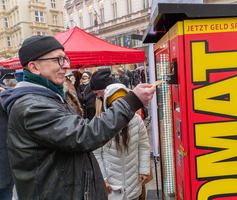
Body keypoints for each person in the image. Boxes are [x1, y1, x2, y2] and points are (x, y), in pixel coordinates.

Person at [0, 35, 156, 200]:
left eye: (65, 58)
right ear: (34, 67)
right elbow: (85, 135)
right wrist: (131, 101)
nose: (66, 65)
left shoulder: (47, 97)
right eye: (58, 60)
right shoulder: (32, 106)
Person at [93, 83, 150, 200]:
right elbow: (97, 154)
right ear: (108, 104)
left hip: (133, 182)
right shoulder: (102, 123)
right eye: (115, 102)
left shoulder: (137, 121)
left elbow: (144, 146)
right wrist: (103, 179)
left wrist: (144, 170)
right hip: (112, 186)